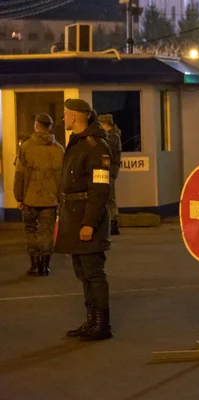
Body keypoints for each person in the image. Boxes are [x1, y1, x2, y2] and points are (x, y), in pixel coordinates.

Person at [54, 99, 113, 341]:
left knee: (93, 272)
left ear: (77, 116)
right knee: (82, 272)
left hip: (87, 220)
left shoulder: (95, 146)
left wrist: (89, 223)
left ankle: (102, 326)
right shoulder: (77, 143)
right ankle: (91, 321)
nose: (63, 118)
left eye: (66, 113)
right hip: (73, 216)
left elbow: (100, 190)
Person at [13, 114, 64, 276]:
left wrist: (19, 197)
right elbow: (62, 178)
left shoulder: (26, 147)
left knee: (30, 229)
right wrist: (60, 199)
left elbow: (19, 174)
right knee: (46, 232)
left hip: (29, 198)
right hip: (50, 200)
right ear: (49, 127)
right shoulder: (59, 149)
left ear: (36, 126)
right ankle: (45, 266)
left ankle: (34, 264)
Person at [97, 114, 122, 235]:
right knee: (108, 197)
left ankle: (113, 223)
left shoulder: (112, 137)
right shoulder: (113, 136)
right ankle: (111, 222)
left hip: (110, 170)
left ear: (104, 124)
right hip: (110, 169)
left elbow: (107, 149)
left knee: (110, 197)